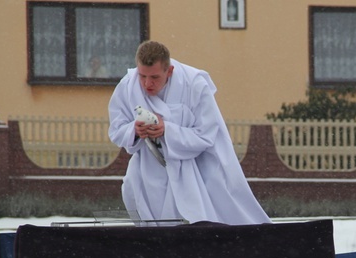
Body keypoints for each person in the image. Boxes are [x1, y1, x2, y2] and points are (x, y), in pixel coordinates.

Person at [108, 40, 270, 225]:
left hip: (195, 168)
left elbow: (206, 134)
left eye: (154, 77)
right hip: (147, 169)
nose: (147, 84)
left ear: (169, 71)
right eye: (142, 76)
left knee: (208, 217)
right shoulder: (128, 86)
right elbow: (116, 130)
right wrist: (134, 130)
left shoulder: (195, 85)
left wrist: (167, 130)